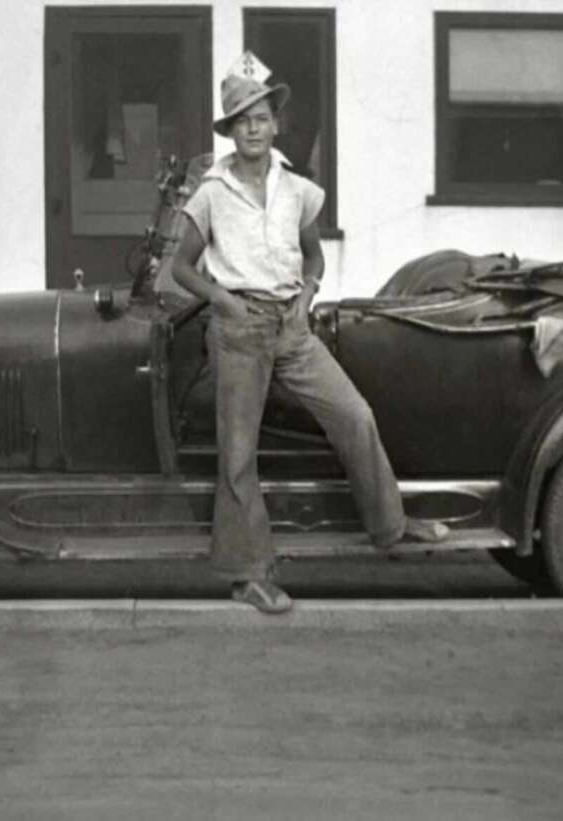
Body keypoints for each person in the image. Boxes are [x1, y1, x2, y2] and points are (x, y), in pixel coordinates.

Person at [171, 68, 448, 614]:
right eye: (243, 121)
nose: (254, 129)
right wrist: (224, 301)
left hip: (291, 329)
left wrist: (308, 292)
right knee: (238, 457)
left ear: (275, 125)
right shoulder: (211, 194)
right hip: (238, 331)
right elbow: (182, 268)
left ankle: (390, 528)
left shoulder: (295, 188)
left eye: (262, 118)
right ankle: (250, 576)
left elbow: (313, 254)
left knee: (355, 415)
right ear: (229, 131)